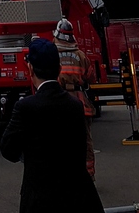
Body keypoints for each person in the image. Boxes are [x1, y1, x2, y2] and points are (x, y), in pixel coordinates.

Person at [0, 38, 104, 213]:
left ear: (30, 69)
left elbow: (8, 150)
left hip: (39, 198)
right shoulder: (75, 106)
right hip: (78, 196)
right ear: (59, 68)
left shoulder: (25, 107)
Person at [54, 18, 97, 178]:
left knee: (60, 141)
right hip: (80, 104)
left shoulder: (53, 54)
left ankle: (64, 175)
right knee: (85, 141)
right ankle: (88, 174)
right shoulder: (81, 55)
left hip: (59, 102)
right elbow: (91, 78)